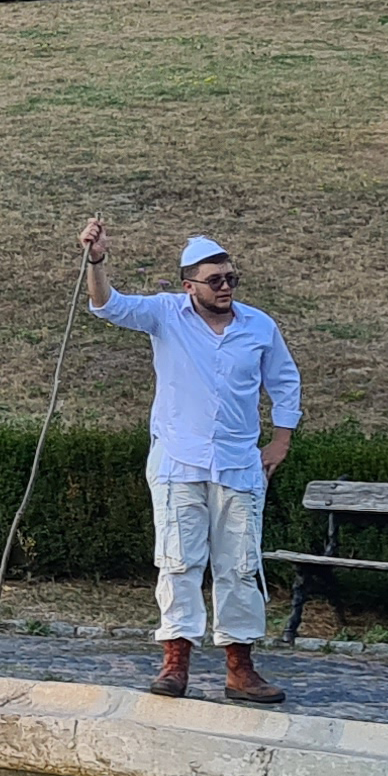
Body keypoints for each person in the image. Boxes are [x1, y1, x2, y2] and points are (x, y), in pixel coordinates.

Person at [78, 221, 302, 703]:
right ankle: (175, 661)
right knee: (178, 562)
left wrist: (281, 441)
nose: (225, 288)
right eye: (215, 280)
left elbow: (285, 382)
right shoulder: (166, 315)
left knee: (240, 565)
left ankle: (240, 669)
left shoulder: (258, 325)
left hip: (240, 463)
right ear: (189, 286)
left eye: (231, 278)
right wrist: (97, 260)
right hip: (179, 460)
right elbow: (106, 306)